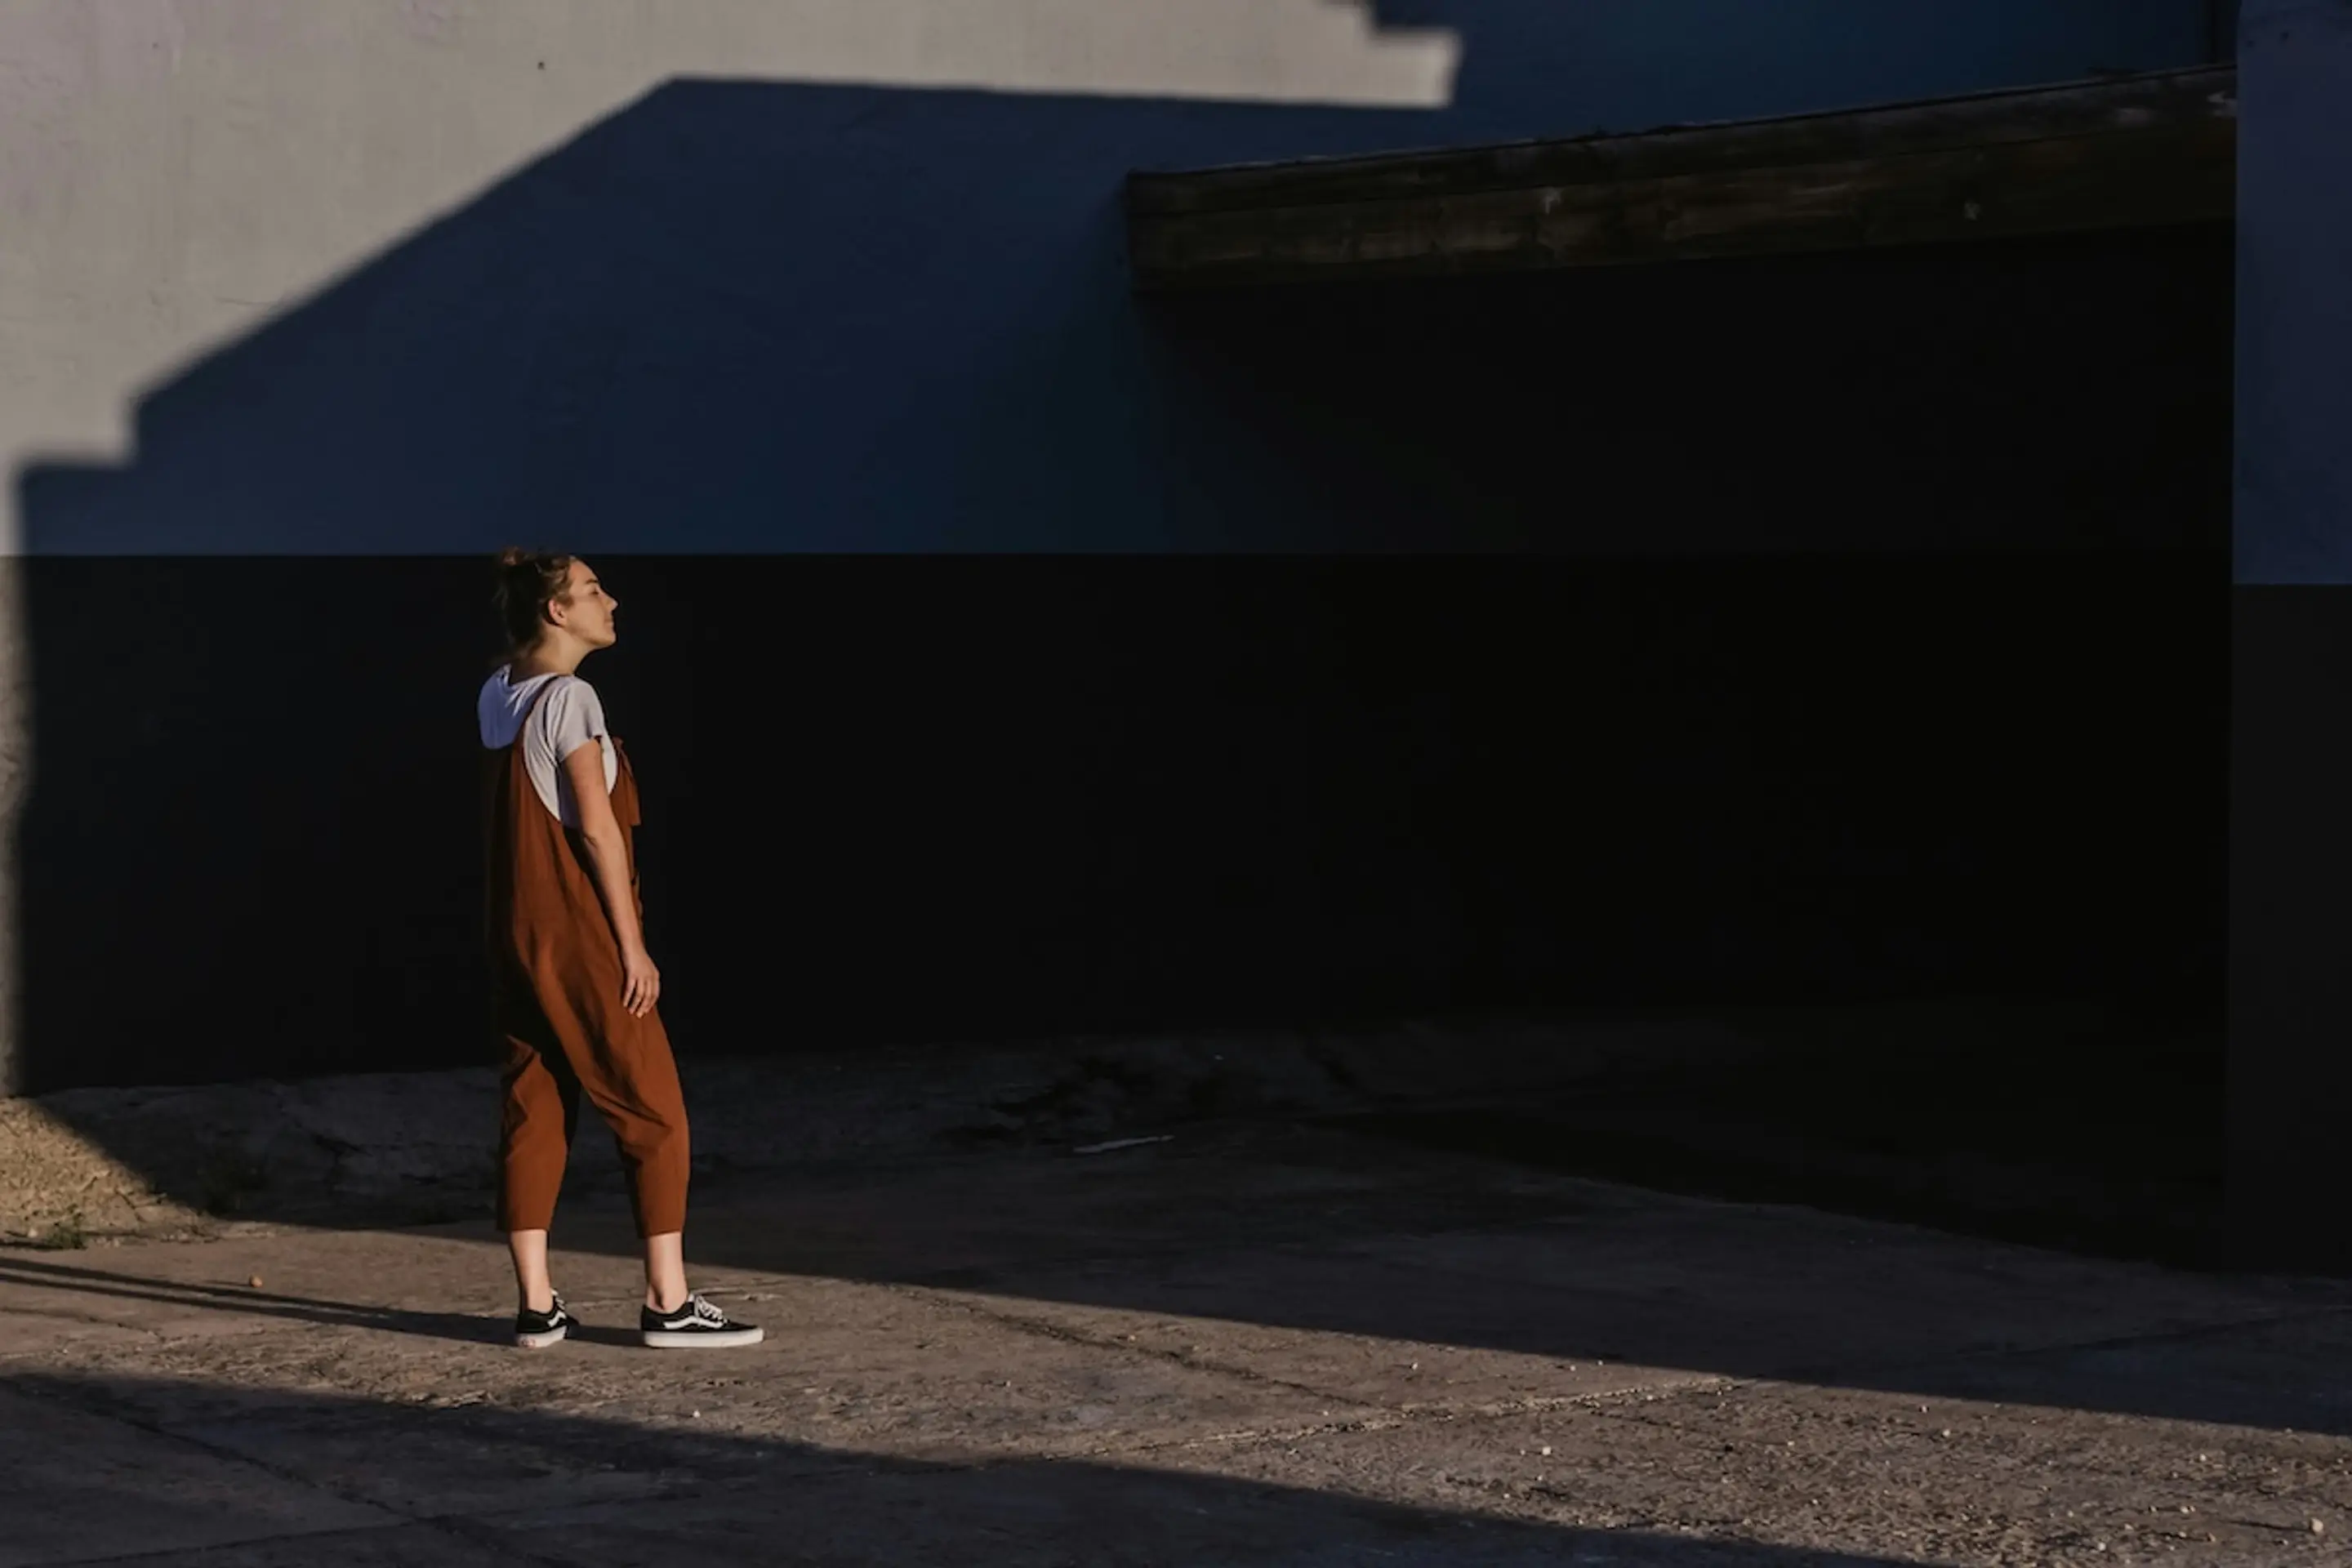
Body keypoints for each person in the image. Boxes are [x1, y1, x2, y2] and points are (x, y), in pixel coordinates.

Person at [478, 549, 760, 1350]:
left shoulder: (497, 695)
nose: (613, 601)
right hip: (577, 934)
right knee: (654, 1112)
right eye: (593, 590)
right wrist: (631, 947)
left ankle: (537, 1304)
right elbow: (596, 829)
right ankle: (667, 1301)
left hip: (513, 934)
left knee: (532, 1105)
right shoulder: (572, 698)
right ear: (557, 612)